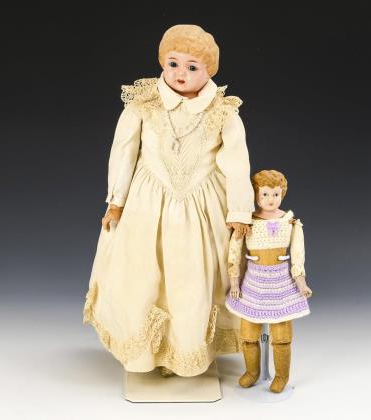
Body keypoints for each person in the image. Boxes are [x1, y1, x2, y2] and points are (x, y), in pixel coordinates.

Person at [83, 24, 255, 377]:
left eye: (192, 67)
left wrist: (240, 210)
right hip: (148, 204)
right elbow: (123, 152)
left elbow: (237, 163)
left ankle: (186, 350)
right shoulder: (143, 104)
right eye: (173, 63)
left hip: (201, 207)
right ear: (162, 62)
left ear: (209, 71)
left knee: (194, 279)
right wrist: (116, 200)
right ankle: (147, 351)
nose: (180, 74)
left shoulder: (223, 112)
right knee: (141, 273)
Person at [225, 169, 312, 392]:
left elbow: (298, 254)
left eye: (275, 194)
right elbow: (234, 251)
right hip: (253, 284)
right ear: (255, 194)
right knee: (248, 334)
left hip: (281, 283)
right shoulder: (247, 222)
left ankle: (281, 376)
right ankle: (252, 372)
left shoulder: (290, 222)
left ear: (282, 194)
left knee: (282, 335)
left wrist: (301, 282)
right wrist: (234, 281)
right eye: (264, 194)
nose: (270, 199)